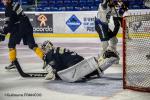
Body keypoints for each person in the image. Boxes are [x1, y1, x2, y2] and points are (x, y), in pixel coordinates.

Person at [41, 40, 118, 82]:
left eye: (44, 49)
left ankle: (105, 57)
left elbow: (57, 68)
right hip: (79, 60)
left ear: (47, 47)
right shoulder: (57, 49)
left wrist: (54, 74)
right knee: (90, 73)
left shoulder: (50, 54)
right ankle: (106, 57)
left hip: (72, 65)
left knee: (84, 74)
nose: (44, 51)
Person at [0, 0, 44, 70]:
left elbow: (9, 23)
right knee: (32, 45)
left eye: (4, 0)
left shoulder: (8, 8)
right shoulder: (15, 4)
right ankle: (46, 60)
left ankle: (13, 62)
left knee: (11, 45)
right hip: (27, 25)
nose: (2, 1)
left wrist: (3, 33)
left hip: (19, 27)